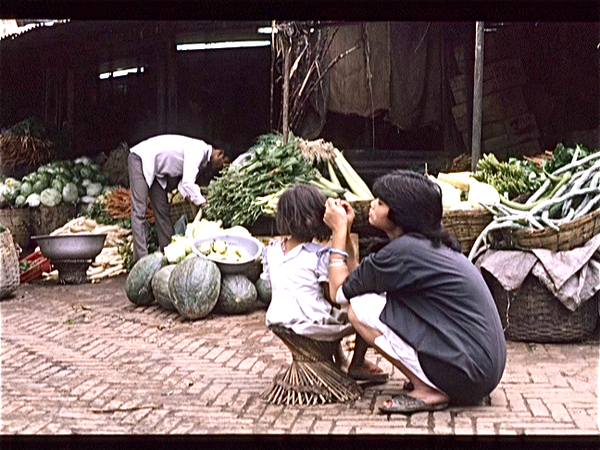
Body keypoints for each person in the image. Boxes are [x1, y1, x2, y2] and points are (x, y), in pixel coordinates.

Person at [323, 170, 507, 414]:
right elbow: (358, 282)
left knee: (358, 308)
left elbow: (338, 293)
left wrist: (337, 232)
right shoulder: (423, 246)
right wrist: (347, 229)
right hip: (482, 371)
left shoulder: (403, 252)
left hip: (470, 373)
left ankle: (429, 390)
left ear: (398, 214)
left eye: (380, 202)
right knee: (366, 299)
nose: (372, 205)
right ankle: (426, 377)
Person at [261, 183, 387, 382]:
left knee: (316, 299)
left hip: (279, 318)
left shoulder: (272, 250)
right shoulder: (318, 256)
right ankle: (358, 363)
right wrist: (341, 230)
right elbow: (337, 296)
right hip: (309, 323)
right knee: (361, 303)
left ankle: (340, 358)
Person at [128, 134, 228, 263]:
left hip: (157, 172)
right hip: (141, 159)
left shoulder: (203, 161)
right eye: (224, 163)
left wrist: (189, 197)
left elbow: (182, 185)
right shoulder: (198, 149)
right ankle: (141, 260)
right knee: (139, 212)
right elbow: (187, 183)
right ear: (220, 153)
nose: (222, 168)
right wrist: (203, 202)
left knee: (163, 210)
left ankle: (169, 252)